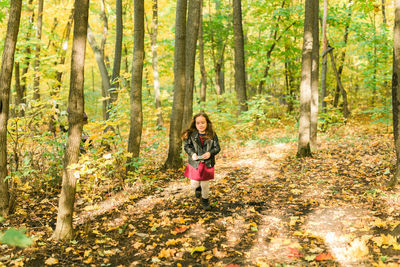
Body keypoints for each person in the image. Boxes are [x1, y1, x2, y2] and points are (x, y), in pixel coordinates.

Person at [182, 112, 221, 211]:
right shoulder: (191, 134)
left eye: (203, 122)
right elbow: (187, 146)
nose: (200, 125)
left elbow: (217, 148)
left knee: (205, 184)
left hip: (207, 163)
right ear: (195, 124)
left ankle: (205, 200)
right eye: (198, 123)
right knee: (194, 184)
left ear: (207, 123)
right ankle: (197, 188)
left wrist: (210, 153)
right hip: (195, 163)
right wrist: (192, 154)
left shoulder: (212, 134)